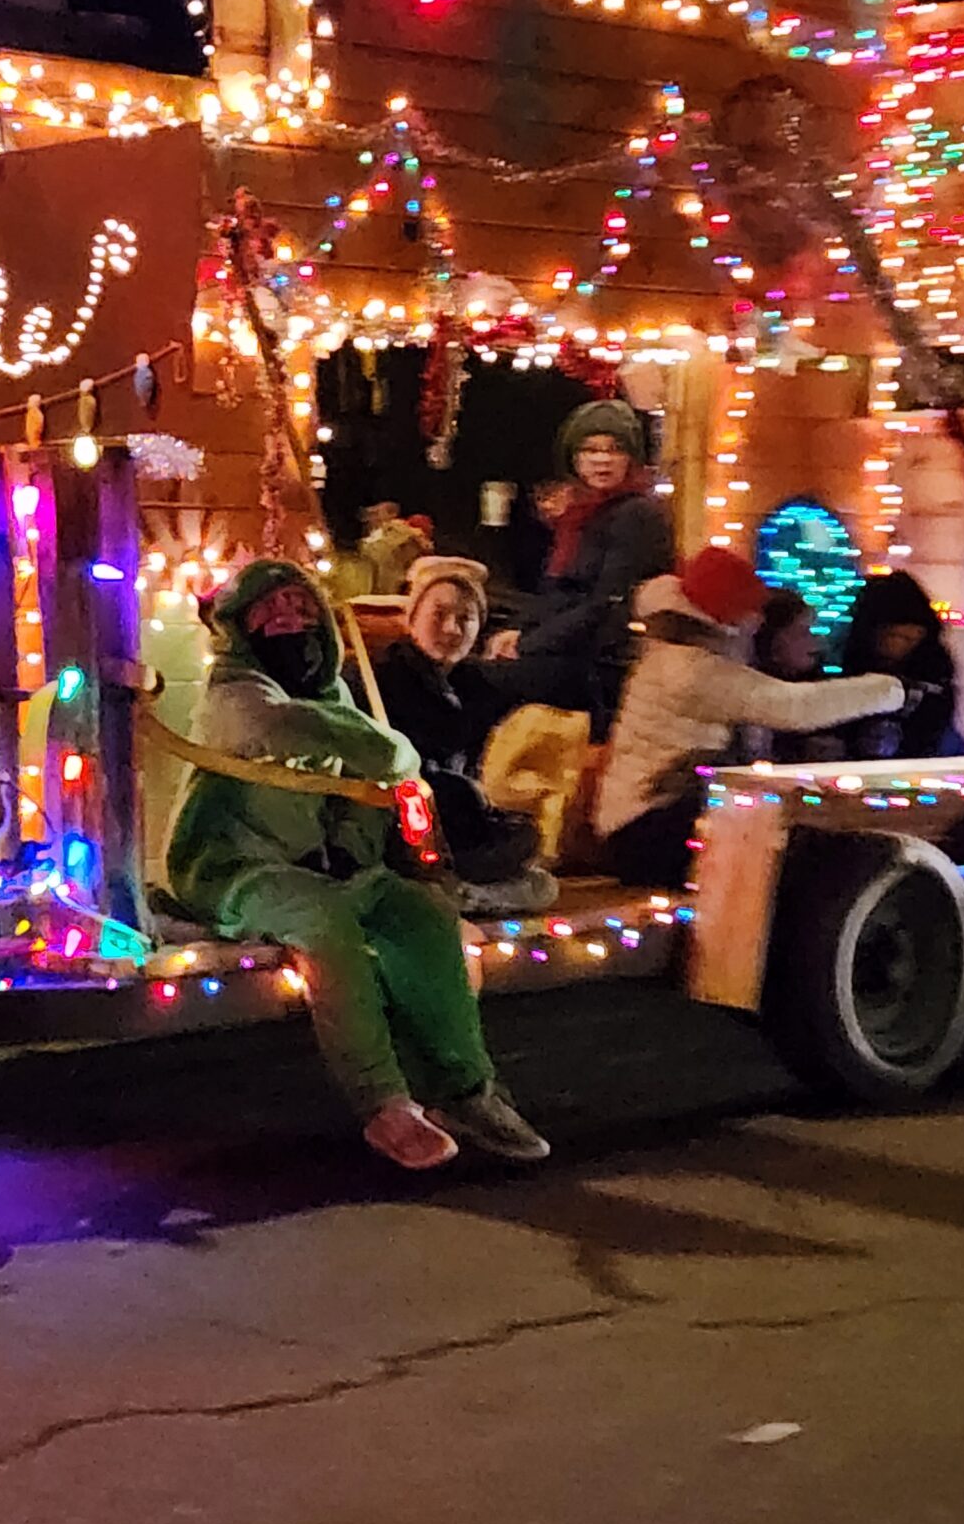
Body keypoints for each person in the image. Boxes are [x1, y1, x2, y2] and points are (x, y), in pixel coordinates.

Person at [166, 557, 549, 1172]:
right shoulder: (233, 692)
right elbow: (288, 729)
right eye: (270, 609)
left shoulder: (332, 691)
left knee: (424, 914)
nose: (288, 618)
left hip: (324, 862)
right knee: (327, 926)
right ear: (242, 624)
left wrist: (362, 827)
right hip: (236, 865)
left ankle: (466, 1088)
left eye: (300, 605)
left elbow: (374, 765)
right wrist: (385, 746)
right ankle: (384, 1103)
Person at [595, 548, 906, 889]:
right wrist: (889, 689)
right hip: (649, 830)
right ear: (727, 620)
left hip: (648, 823)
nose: (756, 623)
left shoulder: (678, 657)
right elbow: (793, 707)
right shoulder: (692, 672)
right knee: (791, 849)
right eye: (750, 615)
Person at [374, 556, 554, 912]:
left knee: (538, 874)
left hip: (461, 826)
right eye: (439, 615)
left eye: (465, 618)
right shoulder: (384, 679)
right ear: (413, 619)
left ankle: (464, 892)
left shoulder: (470, 683)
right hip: (409, 826)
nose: (453, 629)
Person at [487, 397, 673, 733]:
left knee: (481, 684)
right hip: (569, 649)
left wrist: (528, 644)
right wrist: (515, 631)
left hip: (602, 662)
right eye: (590, 450)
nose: (602, 459)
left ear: (630, 457)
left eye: (614, 449)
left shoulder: (637, 514)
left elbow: (605, 603)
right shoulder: (581, 513)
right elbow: (557, 593)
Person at [838, 569, 964, 760]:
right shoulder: (846, 675)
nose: (900, 645)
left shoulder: (934, 680)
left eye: (911, 638)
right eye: (895, 636)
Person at [740, 587, 845, 765]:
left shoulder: (820, 688)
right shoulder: (745, 693)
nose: (815, 641)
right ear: (770, 640)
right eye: (803, 632)